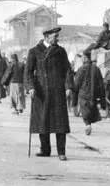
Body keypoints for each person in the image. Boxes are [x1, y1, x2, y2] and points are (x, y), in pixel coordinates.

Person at [26, 27, 74, 161]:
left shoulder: (61, 51)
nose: (57, 39)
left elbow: (68, 70)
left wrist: (69, 86)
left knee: (60, 123)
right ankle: (45, 150)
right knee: (43, 121)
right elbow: (28, 72)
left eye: (57, 36)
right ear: (47, 37)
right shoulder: (34, 51)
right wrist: (30, 87)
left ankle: (61, 152)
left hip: (58, 92)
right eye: (55, 36)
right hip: (41, 92)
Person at [72, 54, 105, 135]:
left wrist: (74, 98)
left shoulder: (81, 69)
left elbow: (76, 84)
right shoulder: (96, 69)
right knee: (91, 109)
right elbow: (101, 84)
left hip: (83, 94)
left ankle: (87, 125)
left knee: (84, 110)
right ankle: (88, 124)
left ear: (85, 58)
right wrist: (102, 98)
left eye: (83, 58)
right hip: (93, 94)